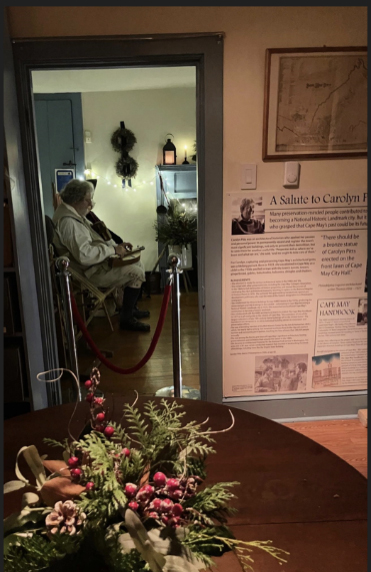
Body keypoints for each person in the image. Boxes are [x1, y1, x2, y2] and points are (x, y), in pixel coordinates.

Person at [52, 179, 150, 332]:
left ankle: (129, 310)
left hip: (94, 266)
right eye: (88, 200)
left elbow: (95, 239)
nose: (91, 204)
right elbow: (84, 255)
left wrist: (116, 247)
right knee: (137, 273)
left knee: (138, 265)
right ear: (76, 199)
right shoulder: (68, 222)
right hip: (89, 273)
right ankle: (127, 318)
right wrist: (113, 251)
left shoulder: (73, 215)